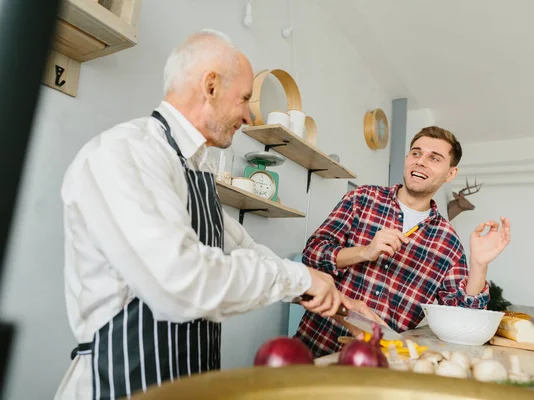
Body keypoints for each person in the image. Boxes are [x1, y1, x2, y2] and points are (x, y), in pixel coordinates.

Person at [54, 30, 381, 399]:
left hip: (191, 382)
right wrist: (298, 278)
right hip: (122, 384)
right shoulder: (127, 154)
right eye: (244, 98)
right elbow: (178, 283)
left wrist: (330, 295)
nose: (246, 114)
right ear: (210, 86)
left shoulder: (193, 168)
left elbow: (242, 247)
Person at [294, 126, 511, 358]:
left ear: (450, 174)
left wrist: (479, 265)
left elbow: (462, 318)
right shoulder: (362, 199)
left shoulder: (449, 242)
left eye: (434, 158)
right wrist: (364, 252)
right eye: (416, 153)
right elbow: (313, 254)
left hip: (383, 364)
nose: (420, 162)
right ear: (407, 158)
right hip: (316, 346)